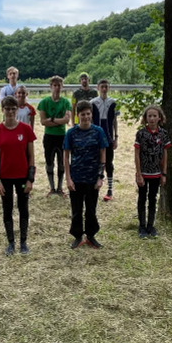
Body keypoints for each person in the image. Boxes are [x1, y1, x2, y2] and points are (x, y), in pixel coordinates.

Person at [0, 96, 37, 255]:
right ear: (2, 110)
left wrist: (30, 179)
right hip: (5, 177)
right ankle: (11, 242)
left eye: (13, 108)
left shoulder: (26, 129)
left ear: (17, 110)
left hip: (22, 176)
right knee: (7, 209)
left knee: (23, 208)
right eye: (7, 108)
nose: (10, 112)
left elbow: (31, 156)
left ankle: (23, 242)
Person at [63, 100, 108, 249]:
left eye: (88, 114)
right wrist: (68, 178)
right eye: (83, 114)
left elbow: (103, 155)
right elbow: (66, 156)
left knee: (91, 210)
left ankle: (91, 235)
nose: (86, 117)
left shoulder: (98, 132)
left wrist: (100, 177)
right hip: (76, 178)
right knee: (76, 210)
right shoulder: (71, 133)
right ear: (78, 116)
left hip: (92, 178)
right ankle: (77, 236)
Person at [134, 105, 171, 238]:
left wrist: (164, 173)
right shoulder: (141, 134)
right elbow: (137, 154)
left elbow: (165, 154)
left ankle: (151, 225)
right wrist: (138, 174)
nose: (152, 118)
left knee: (152, 198)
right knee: (142, 198)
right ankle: (142, 225)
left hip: (156, 173)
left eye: (155, 116)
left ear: (159, 118)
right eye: (149, 116)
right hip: (143, 173)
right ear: (145, 118)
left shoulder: (163, 134)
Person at [38, 76, 72, 196]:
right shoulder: (44, 102)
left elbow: (66, 120)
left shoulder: (66, 102)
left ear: (62, 87)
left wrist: (51, 119)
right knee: (49, 162)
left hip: (62, 136)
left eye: (59, 85)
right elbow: (42, 121)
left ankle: (60, 187)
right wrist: (59, 120)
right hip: (49, 136)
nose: (57, 88)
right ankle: (52, 187)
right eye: (55, 85)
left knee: (62, 162)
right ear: (51, 87)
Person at [91, 79, 119, 201]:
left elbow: (114, 121)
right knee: (96, 162)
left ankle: (110, 189)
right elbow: (90, 121)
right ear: (98, 88)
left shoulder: (113, 102)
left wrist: (116, 137)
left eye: (106, 86)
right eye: (102, 86)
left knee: (109, 163)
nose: (104, 89)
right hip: (96, 136)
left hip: (108, 137)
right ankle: (95, 186)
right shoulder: (92, 102)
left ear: (109, 88)